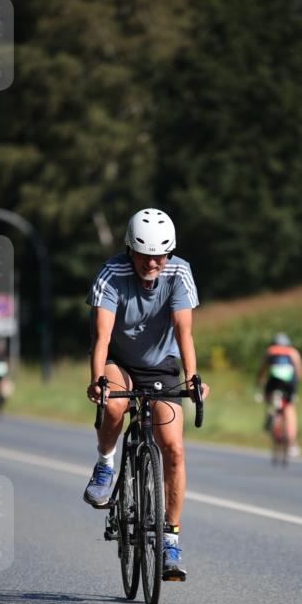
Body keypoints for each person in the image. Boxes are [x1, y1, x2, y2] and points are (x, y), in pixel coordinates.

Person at [84, 208, 209, 582]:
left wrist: (192, 378)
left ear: (169, 252)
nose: (152, 262)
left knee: (173, 446)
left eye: (160, 254)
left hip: (161, 365)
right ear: (129, 250)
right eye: (144, 255)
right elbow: (101, 337)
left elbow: (184, 332)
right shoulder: (111, 274)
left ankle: (170, 540)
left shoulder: (179, 272)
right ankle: (106, 463)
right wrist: (97, 380)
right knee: (116, 403)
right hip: (120, 361)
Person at [255, 333, 302, 455]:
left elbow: (262, 370)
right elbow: (299, 372)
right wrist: (295, 385)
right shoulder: (293, 352)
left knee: (269, 398)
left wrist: (259, 382)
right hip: (289, 382)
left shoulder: (270, 351)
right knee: (289, 408)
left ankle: (270, 413)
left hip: (273, 381)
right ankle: (291, 443)